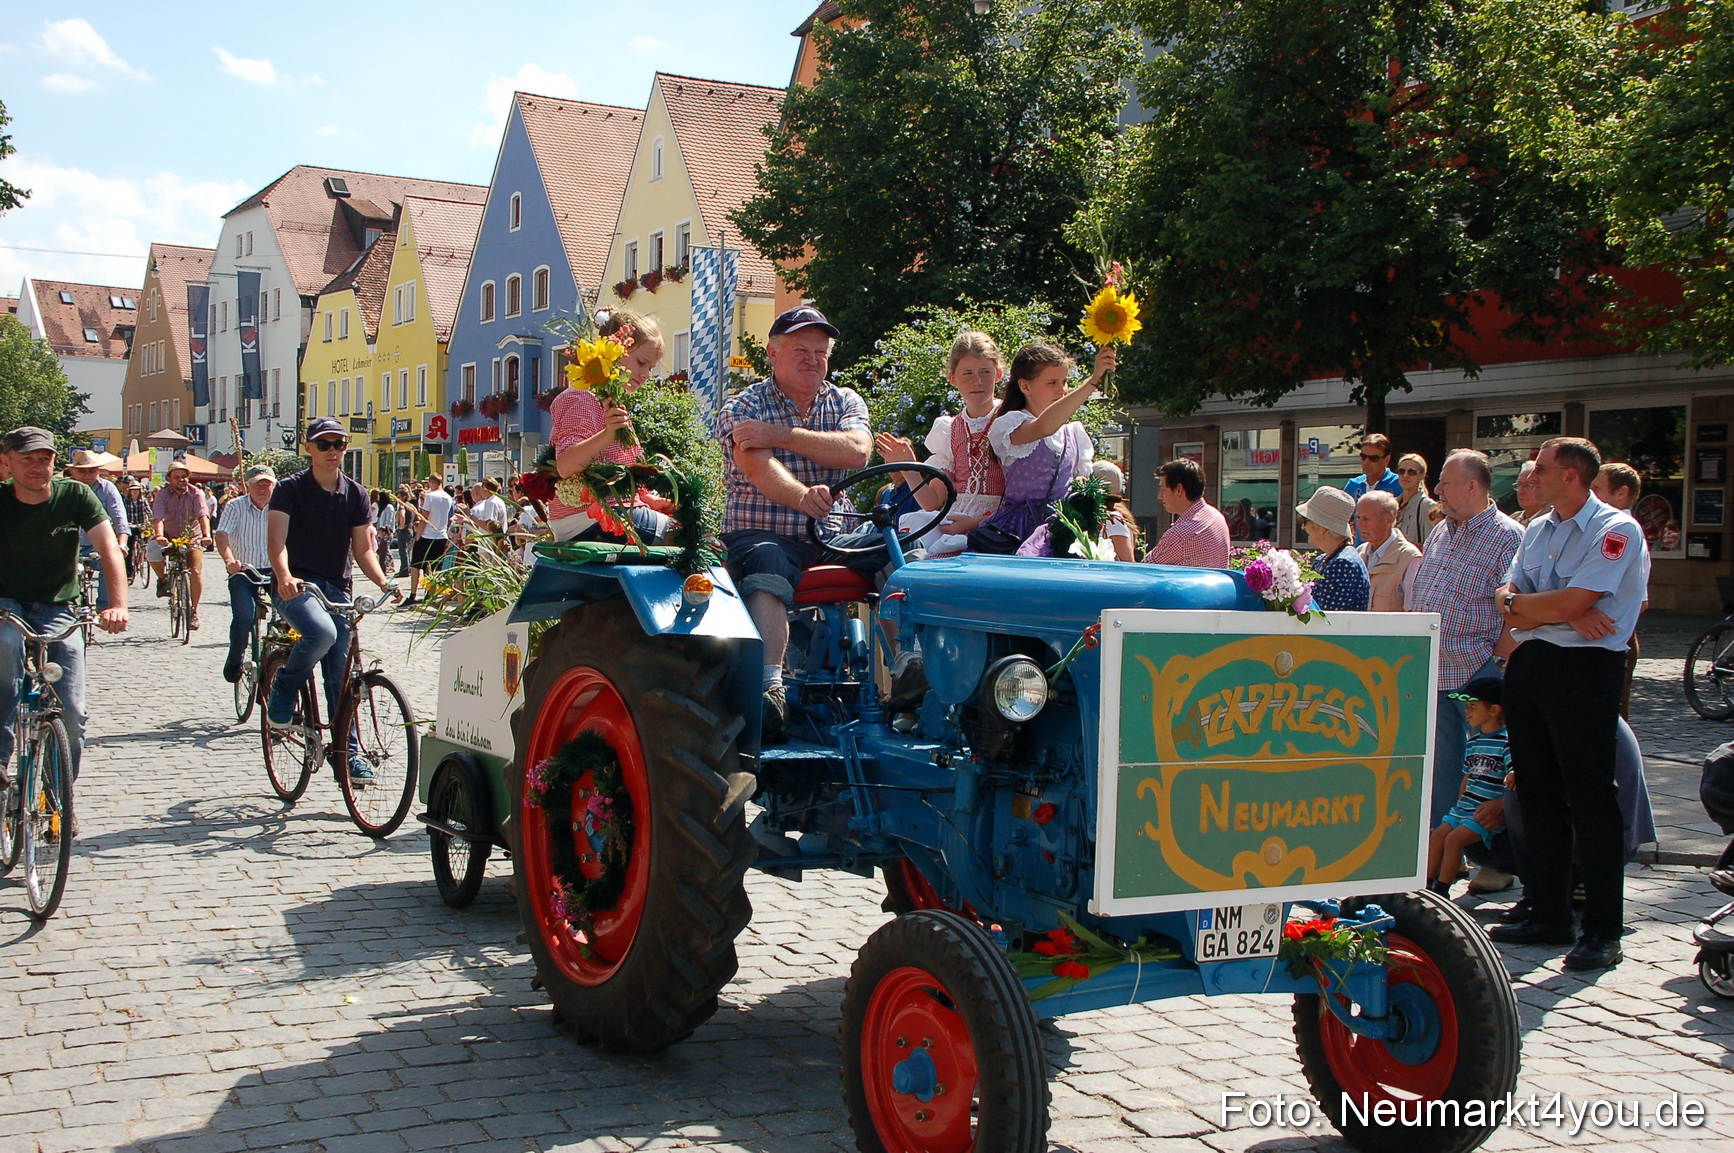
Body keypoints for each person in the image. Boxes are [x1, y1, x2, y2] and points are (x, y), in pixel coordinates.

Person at [1490, 437, 1646, 971]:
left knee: (1591, 796)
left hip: (1585, 669)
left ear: (1571, 476)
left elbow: (1574, 601)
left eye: (1542, 468)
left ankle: (1602, 928)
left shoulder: (1615, 529)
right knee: (1538, 794)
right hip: (1532, 663)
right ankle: (1548, 912)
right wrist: (1549, 609)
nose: (1532, 476)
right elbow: (1504, 597)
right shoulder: (1538, 528)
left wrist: (1548, 607)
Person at [716, 306, 875, 740]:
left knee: (895, 547)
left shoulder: (844, 401)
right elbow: (757, 467)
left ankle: (911, 668)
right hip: (765, 532)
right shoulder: (744, 406)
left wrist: (780, 434)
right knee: (766, 559)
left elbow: (858, 451)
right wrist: (803, 497)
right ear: (773, 354)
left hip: (833, 535)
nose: (813, 360)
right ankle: (770, 689)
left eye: (821, 352)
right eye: (801, 350)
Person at [264, 419, 397, 782]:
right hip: (297, 586)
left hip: (337, 588)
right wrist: (284, 576)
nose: (332, 451)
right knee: (322, 633)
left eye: (339, 444)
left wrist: (384, 581)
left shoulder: (355, 493)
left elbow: (363, 550)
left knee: (341, 675)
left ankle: (347, 755)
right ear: (309, 447)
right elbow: (276, 542)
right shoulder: (289, 489)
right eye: (324, 444)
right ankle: (285, 685)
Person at [0, 427, 129, 785]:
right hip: (5, 604)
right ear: (6, 462)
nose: (37, 467)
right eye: (27, 459)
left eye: (44, 459)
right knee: (6, 646)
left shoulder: (74, 495)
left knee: (71, 707)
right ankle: (0, 757)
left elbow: (109, 548)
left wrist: (117, 605)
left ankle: (58, 796)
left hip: (58, 606)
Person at [1407, 449, 1523, 825]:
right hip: (1435, 671)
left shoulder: (1508, 537)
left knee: (1488, 768)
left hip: (1477, 671)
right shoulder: (1442, 531)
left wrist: (1497, 666)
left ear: (1472, 486)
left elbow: (1516, 609)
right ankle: (1443, 845)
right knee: (1442, 770)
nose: (1437, 489)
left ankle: (1492, 850)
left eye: (1445, 482)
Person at [969, 341, 1112, 553]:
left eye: (1064, 382)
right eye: (1052, 383)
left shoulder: (1073, 432)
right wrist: (1092, 382)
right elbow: (1044, 427)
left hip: (1061, 530)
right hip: (1016, 531)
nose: (1061, 390)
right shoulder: (1009, 424)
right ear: (1025, 386)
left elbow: (1077, 480)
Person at [546, 309, 672, 544]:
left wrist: (649, 499)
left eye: (651, 368)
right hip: (588, 517)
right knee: (702, 542)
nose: (645, 375)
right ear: (614, 351)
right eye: (641, 363)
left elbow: (623, 472)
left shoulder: (609, 401)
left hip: (612, 509)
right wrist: (607, 433)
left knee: (690, 529)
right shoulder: (581, 397)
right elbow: (566, 466)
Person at [876, 331, 1005, 558]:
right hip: (956, 524)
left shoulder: (1010, 421)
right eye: (968, 373)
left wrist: (976, 522)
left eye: (985, 372)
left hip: (1000, 523)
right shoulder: (949, 429)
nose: (977, 381)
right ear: (953, 379)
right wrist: (909, 468)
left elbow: (1023, 493)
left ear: (999, 374)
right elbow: (933, 502)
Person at [1427, 677, 1510, 895]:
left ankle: (1442, 890)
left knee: (1453, 841)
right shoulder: (1473, 742)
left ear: (1494, 710)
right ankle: (1425, 885)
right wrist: (1460, 802)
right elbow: (1467, 776)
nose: (1467, 711)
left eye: (1473, 705)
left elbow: (1512, 777)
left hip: (1484, 814)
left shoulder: (1506, 743)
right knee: (1438, 835)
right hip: (1463, 809)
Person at [214, 465, 277, 683]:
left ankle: (284, 658)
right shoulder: (236, 506)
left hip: (274, 569)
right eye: (257, 485)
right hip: (244, 569)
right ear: (247, 486)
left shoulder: (281, 506)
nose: (262, 489)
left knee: (292, 613)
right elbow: (222, 534)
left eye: (267, 485)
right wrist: (229, 560)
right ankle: (236, 657)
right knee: (243, 617)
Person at [149, 457, 212, 629]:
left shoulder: (195, 493)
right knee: (152, 549)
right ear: (169, 479)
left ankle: (193, 612)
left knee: (195, 572)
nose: (181, 480)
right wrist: (159, 536)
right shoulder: (162, 495)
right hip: (169, 536)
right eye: (176, 477)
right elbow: (158, 517)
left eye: (184, 476)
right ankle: (163, 580)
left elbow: (203, 515)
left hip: (192, 537)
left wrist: (206, 535)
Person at [66, 449, 129, 611]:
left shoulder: (108, 488)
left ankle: (105, 607)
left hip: (98, 546)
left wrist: (122, 543)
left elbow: (119, 518)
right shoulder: (65, 489)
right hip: (69, 546)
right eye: (82, 471)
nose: (87, 474)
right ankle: (63, 607)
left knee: (111, 563)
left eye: (92, 470)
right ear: (73, 471)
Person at [1142, 459, 1230, 568]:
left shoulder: (1180, 535)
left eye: (1163, 489)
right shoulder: (1216, 516)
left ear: (1179, 490)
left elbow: (1147, 569)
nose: (1159, 496)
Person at [1294, 486, 1369, 610]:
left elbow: (1327, 617)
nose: (1303, 527)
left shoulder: (1343, 564)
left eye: (1305, 520)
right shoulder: (1323, 559)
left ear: (1322, 527)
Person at [1355, 491, 1421, 611]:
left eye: (1366, 519)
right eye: (1358, 518)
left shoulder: (1409, 557)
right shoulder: (1360, 553)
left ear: (1388, 520)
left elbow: (1413, 612)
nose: (1360, 525)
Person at [405, 474, 455, 605]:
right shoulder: (448, 498)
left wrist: (417, 536)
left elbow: (424, 518)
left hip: (427, 535)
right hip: (441, 535)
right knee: (433, 566)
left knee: (416, 565)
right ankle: (430, 593)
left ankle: (413, 594)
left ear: (432, 483)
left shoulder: (430, 497)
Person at [1344, 433, 1404, 510]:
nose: (1366, 462)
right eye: (1363, 456)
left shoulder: (1399, 483)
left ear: (1386, 460)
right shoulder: (1353, 484)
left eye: (1374, 458)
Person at [1394, 453, 1438, 545]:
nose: (1405, 475)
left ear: (1422, 475)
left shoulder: (1428, 506)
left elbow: (1432, 544)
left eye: (1412, 472)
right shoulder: (1393, 504)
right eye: (1401, 471)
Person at [1511, 459, 1549, 526]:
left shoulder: (1552, 522)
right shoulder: (1513, 519)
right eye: (1519, 484)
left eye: (1528, 485)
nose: (1520, 492)